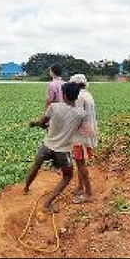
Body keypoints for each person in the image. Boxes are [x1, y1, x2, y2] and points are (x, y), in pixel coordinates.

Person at [22, 81, 87, 212]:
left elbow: (42, 123)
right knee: (67, 176)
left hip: (47, 145)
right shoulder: (81, 114)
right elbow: (78, 129)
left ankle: (26, 188)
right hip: (63, 151)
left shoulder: (54, 107)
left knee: (36, 166)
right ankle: (47, 204)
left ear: (64, 95)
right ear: (76, 96)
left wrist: (35, 124)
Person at [68, 73, 97, 203]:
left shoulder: (79, 97)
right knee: (79, 161)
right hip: (88, 131)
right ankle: (80, 187)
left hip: (81, 134)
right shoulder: (88, 95)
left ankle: (88, 193)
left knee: (80, 163)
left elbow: (77, 117)